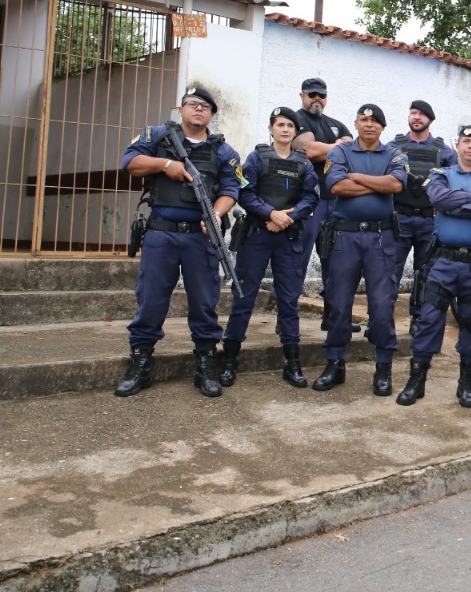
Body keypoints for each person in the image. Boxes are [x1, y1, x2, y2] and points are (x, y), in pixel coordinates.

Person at [114, 85, 241, 399]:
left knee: (204, 302)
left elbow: (231, 190)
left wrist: (215, 214)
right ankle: (140, 364)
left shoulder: (224, 151)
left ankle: (206, 365)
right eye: (191, 104)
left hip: (200, 236)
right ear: (182, 109)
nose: (198, 109)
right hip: (161, 234)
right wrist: (165, 165)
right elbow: (129, 163)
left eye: (204, 106)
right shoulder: (156, 137)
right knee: (152, 299)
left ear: (211, 114)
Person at [397, 126, 471, 408]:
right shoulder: (441, 175)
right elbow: (438, 199)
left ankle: (466, 384)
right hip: (443, 262)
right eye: (466, 141)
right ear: (457, 146)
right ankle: (416, 381)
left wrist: (457, 202)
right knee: (428, 320)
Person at [312, 105, 408, 395]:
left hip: (381, 238)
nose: (369, 125)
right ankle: (335, 365)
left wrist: (355, 178)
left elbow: (396, 184)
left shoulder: (394, 154)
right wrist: (377, 186)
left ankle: (383, 368)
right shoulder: (339, 152)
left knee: (381, 305)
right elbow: (335, 186)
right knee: (338, 302)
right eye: (364, 120)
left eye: (375, 121)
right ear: (356, 123)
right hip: (345, 238)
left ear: (382, 126)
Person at [220, 107, 319, 389]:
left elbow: (311, 198)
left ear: (295, 132)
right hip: (257, 235)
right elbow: (244, 192)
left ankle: (293, 364)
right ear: (271, 129)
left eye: (290, 125)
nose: (285, 129)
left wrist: (287, 216)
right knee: (244, 297)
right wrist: (270, 214)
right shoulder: (257, 157)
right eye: (280, 125)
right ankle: (229, 362)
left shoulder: (304, 163)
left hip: (288, 236)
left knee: (289, 300)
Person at [291, 77, 354, 332]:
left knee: (337, 263)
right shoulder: (294, 120)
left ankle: (334, 317)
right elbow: (310, 150)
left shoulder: (336, 124)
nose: (317, 99)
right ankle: (288, 316)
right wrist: (337, 147)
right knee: (298, 260)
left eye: (322, 95)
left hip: (336, 202)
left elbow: (352, 149)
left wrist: (331, 147)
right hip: (308, 202)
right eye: (312, 94)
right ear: (302, 95)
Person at [392, 100, 458, 329]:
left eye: (421, 114)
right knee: (390, 270)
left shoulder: (444, 152)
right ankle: (381, 318)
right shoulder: (395, 146)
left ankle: (418, 319)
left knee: (425, 273)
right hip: (399, 218)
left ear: (430, 119)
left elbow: (455, 181)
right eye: (413, 113)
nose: (416, 117)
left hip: (430, 220)